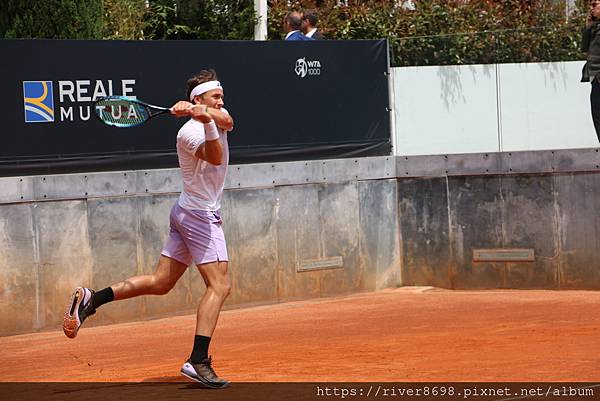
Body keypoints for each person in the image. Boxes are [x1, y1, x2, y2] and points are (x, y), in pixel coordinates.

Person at [62, 69, 234, 389]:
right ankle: (198, 360)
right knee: (220, 287)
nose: (222, 102)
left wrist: (206, 112)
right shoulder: (188, 134)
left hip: (185, 211)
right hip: (199, 216)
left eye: (221, 97)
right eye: (215, 97)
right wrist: (204, 119)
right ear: (199, 98)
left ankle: (91, 300)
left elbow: (228, 121)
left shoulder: (213, 113)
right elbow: (215, 155)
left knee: (160, 282)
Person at [582, 0, 600, 142]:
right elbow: (584, 48)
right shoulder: (594, 27)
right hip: (595, 77)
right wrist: (588, 27)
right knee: (597, 116)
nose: (591, 8)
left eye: (595, 5)